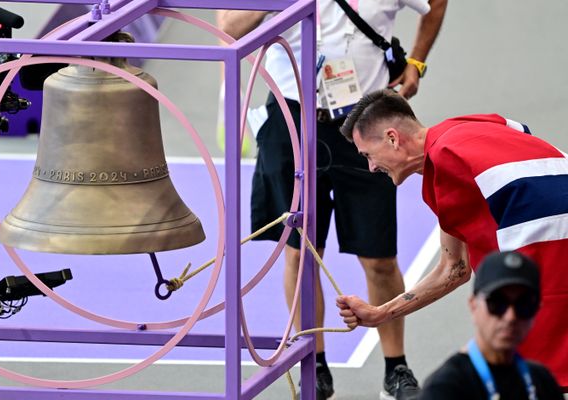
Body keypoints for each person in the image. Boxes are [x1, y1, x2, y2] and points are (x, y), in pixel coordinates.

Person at [218, 1, 447, 399]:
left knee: (379, 258)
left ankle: (397, 368)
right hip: (291, 120)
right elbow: (230, 27)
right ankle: (316, 363)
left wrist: (417, 62)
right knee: (300, 251)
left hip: (364, 123)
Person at [336, 88, 568, 388]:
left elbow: (452, 270)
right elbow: (454, 269)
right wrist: (380, 313)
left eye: (368, 154)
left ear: (393, 138)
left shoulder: (446, 164)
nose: (370, 167)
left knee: (515, 364)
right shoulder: (467, 126)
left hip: (547, 254)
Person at [419, 250, 564, 399]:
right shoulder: (446, 389)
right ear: (473, 305)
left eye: (524, 304)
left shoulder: (541, 382)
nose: (510, 317)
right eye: (496, 303)